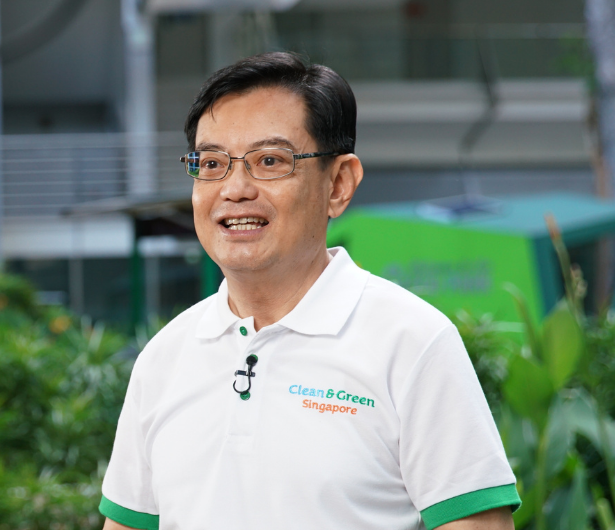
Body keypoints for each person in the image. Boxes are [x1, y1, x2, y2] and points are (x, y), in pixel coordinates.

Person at [98, 52, 518, 530]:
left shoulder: (412, 342)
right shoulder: (164, 357)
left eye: (270, 160)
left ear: (339, 184)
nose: (234, 188)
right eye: (211, 163)